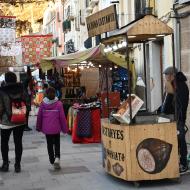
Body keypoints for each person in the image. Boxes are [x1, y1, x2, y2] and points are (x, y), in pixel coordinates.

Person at [162, 66, 189, 173]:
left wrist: (179, 118)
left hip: (178, 118)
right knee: (176, 141)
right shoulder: (174, 84)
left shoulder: (180, 85)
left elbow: (180, 103)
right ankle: (177, 162)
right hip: (173, 117)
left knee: (181, 140)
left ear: (172, 75)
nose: (165, 77)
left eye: (166, 75)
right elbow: (167, 102)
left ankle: (183, 164)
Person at [0, 72, 27, 173]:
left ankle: (5, 164)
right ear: (15, 79)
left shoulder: (2, 90)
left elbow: (1, 107)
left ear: (6, 79)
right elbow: (27, 102)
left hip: (6, 121)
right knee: (18, 142)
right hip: (20, 119)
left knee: (4, 143)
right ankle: (17, 165)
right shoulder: (21, 88)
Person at [36, 87, 68, 169]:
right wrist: (65, 129)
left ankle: (51, 159)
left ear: (46, 94)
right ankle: (57, 158)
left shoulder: (43, 103)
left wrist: (38, 127)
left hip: (47, 129)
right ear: (55, 94)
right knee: (57, 144)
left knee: (49, 144)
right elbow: (62, 117)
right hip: (56, 129)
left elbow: (39, 116)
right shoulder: (59, 103)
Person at [23, 66, 34, 131]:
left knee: (26, 114)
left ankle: (26, 125)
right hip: (26, 102)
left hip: (27, 101)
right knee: (26, 114)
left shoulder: (26, 88)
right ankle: (25, 126)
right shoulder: (25, 88)